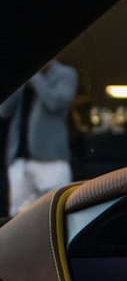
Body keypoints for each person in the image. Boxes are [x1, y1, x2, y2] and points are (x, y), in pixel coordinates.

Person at [0, 60, 79, 213]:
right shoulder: (23, 79)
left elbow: (57, 103)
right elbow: (4, 110)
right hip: (19, 158)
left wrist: (35, 78)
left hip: (51, 159)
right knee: (18, 214)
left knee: (55, 211)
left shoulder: (65, 74)